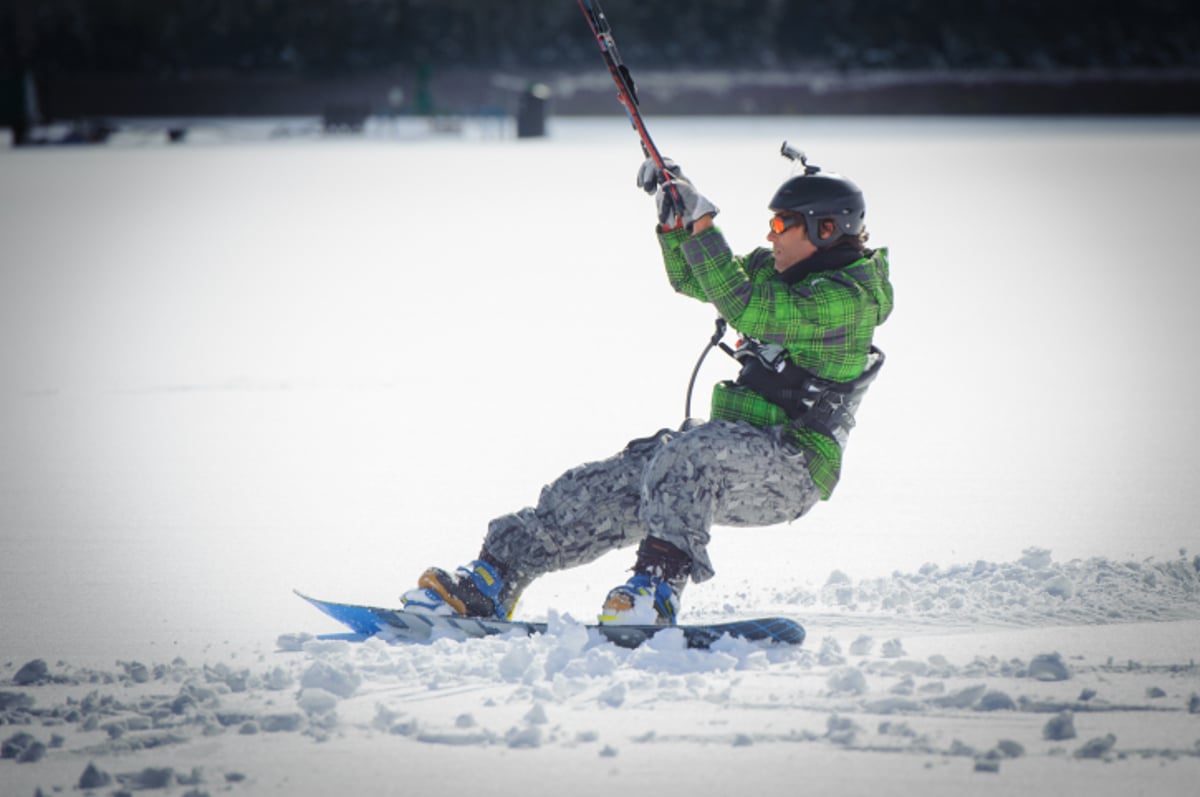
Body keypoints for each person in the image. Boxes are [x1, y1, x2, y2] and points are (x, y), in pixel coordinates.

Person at [402, 149, 894, 626]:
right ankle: (495, 579)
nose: (771, 234)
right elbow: (698, 281)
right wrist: (676, 223)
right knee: (609, 479)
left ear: (826, 230)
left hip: (793, 468)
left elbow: (747, 308)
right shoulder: (777, 271)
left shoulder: (849, 299)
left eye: (783, 223)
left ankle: (655, 592)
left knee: (686, 456)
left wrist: (705, 226)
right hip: (730, 448)